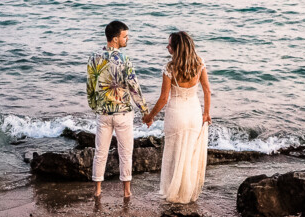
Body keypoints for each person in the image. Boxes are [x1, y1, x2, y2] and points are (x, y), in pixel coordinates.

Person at [143, 31, 211, 204]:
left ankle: (173, 192)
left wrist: (150, 116)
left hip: (176, 114)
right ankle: (185, 193)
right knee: (189, 155)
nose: (167, 47)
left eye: (169, 45)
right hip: (194, 114)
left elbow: (164, 98)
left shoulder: (170, 68)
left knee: (173, 154)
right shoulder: (199, 63)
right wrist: (206, 113)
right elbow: (207, 90)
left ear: (176, 48)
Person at [86, 21, 151, 199]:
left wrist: (95, 106)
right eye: (125, 36)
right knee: (125, 153)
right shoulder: (125, 60)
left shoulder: (94, 58)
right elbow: (134, 88)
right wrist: (145, 111)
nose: (127, 39)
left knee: (100, 152)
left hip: (104, 114)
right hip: (123, 114)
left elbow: (90, 86)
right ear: (115, 39)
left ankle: (98, 190)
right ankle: (126, 191)